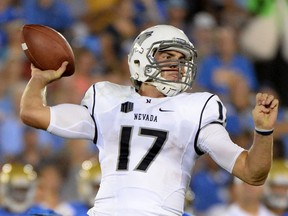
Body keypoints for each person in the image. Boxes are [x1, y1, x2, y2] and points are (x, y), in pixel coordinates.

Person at [20, 24, 279, 216]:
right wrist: (39, 80)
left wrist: (263, 132)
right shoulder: (108, 101)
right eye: (167, 57)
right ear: (140, 57)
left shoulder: (196, 109)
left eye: (182, 60)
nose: (177, 66)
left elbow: (252, 173)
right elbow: (33, 113)